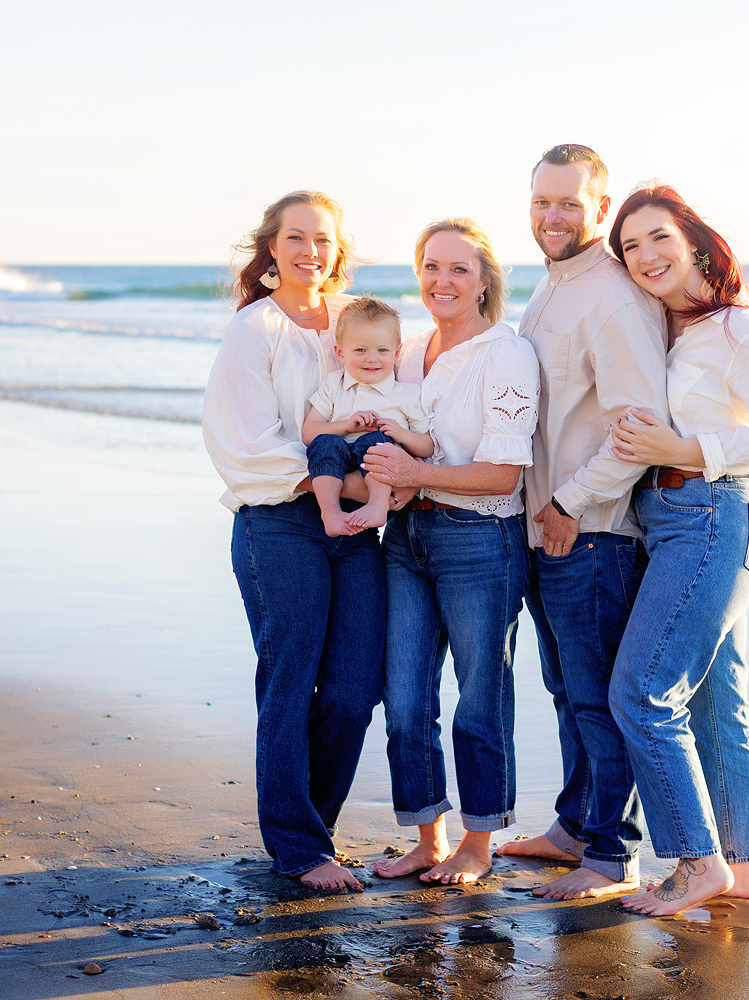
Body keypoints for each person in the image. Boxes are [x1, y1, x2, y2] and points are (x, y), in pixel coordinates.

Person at [604, 183, 749, 916]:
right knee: (718, 700)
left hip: (716, 515)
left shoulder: (739, 330)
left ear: (692, 239)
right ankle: (740, 869)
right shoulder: (678, 331)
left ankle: (696, 861)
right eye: (629, 247)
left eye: (657, 237)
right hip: (679, 517)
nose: (645, 255)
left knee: (642, 691)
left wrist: (683, 448)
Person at [202, 191, 392, 892]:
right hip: (278, 524)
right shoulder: (255, 330)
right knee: (290, 679)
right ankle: (298, 846)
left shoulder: (356, 321)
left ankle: (317, 830)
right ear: (272, 247)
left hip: (357, 533)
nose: (311, 251)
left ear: (337, 249)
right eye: (296, 238)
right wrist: (347, 483)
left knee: (352, 688)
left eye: (322, 240)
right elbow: (244, 447)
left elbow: (403, 400)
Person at [494, 144, 668, 899]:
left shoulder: (612, 296)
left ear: (601, 209)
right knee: (566, 689)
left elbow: (641, 421)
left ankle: (610, 853)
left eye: (569, 202)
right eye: (541, 202)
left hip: (590, 532)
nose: (553, 216)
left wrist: (568, 503)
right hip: (545, 529)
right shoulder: (552, 288)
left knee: (595, 696)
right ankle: (574, 825)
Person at [360, 219, 540, 885]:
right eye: (431, 266)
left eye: (459, 269)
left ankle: (478, 843)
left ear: (485, 280)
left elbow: (502, 474)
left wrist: (411, 476)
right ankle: (427, 836)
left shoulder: (505, 353)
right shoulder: (407, 352)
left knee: (479, 699)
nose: (442, 280)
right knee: (405, 697)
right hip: (405, 538)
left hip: (480, 542)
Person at [302, 296, 434, 536]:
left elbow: (428, 446)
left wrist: (401, 435)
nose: (372, 358)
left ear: (397, 352)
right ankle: (330, 512)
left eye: (382, 350)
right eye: (360, 350)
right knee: (324, 443)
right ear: (340, 353)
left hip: (378, 472)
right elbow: (309, 433)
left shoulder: (407, 394)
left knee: (375, 442)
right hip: (337, 464)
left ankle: (378, 504)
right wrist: (346, 426)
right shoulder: (334, 384)